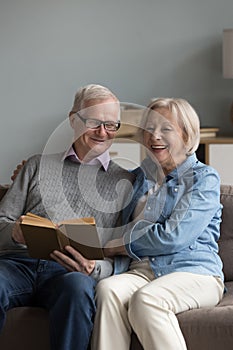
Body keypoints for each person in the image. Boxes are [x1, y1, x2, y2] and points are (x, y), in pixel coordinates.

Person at [0, 84, 140, 350]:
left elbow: (128, 250)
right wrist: (15, 232)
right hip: (17, 265)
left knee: (78, 289)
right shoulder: (36, 165)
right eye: (94, 123)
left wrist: (96, 269)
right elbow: (1, 226)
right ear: (73, 120)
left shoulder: (127, 181)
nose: (102, 132)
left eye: (111, 125)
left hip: (70, 274)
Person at [91, 98, 225, 350]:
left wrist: (120, 245)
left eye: (165, 129)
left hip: (193, 272)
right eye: (149, 128)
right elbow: (100, 179)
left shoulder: (203, 178)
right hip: (143, 271)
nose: (155, 136)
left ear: (187, 134)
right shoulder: (140, 176)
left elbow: (173, 236)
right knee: (108, 290)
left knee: (147, 300)